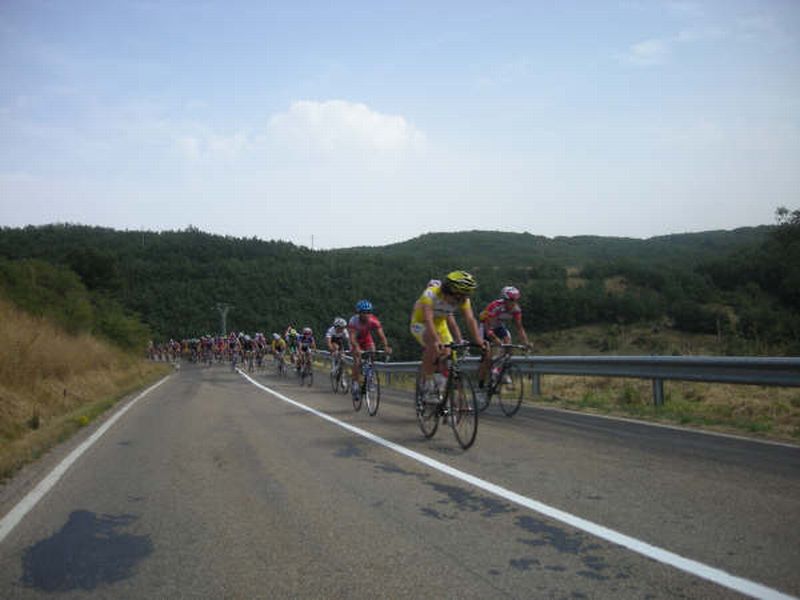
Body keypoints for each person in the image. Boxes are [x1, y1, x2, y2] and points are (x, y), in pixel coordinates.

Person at [409, 271, 487, 396]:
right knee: (433, 344)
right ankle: (428, 381)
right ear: (448, 291)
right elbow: (428, 320)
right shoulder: (430, 294)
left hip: (440, 325)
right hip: (421, 323)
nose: (460, 301)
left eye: (465, 297)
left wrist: (479, 340)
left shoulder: (463, 300)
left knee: (447, 351)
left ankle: (441, 383)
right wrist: (436, 340)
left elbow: (470, 319)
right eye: (458, 297)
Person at [478, 286, 531, 388]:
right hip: (485, 327)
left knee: (509, 346)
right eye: (511, 300)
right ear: (505, 299)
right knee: (487, 357)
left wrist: (526, 343)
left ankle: (500, 371)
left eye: (516, 300)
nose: (514, 303)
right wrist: (495, 339)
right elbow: (488, 328)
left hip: (499, 326)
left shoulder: (516, 309)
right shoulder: (495, 306)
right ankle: (481, 383)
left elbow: (519, 328)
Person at [348, 300, 392, 401]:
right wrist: (357, 348)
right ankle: (355, 384)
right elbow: (352, 338)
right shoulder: (353, 321)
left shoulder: (373, 320)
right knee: (357, 360)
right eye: (364, 312)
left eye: (369, 312)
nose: (367, 314)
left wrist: (386, 346)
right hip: (355, 340)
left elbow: (382, 336)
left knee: (372, 351)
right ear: (359, 313)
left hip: (366, 339)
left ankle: (370, 378)